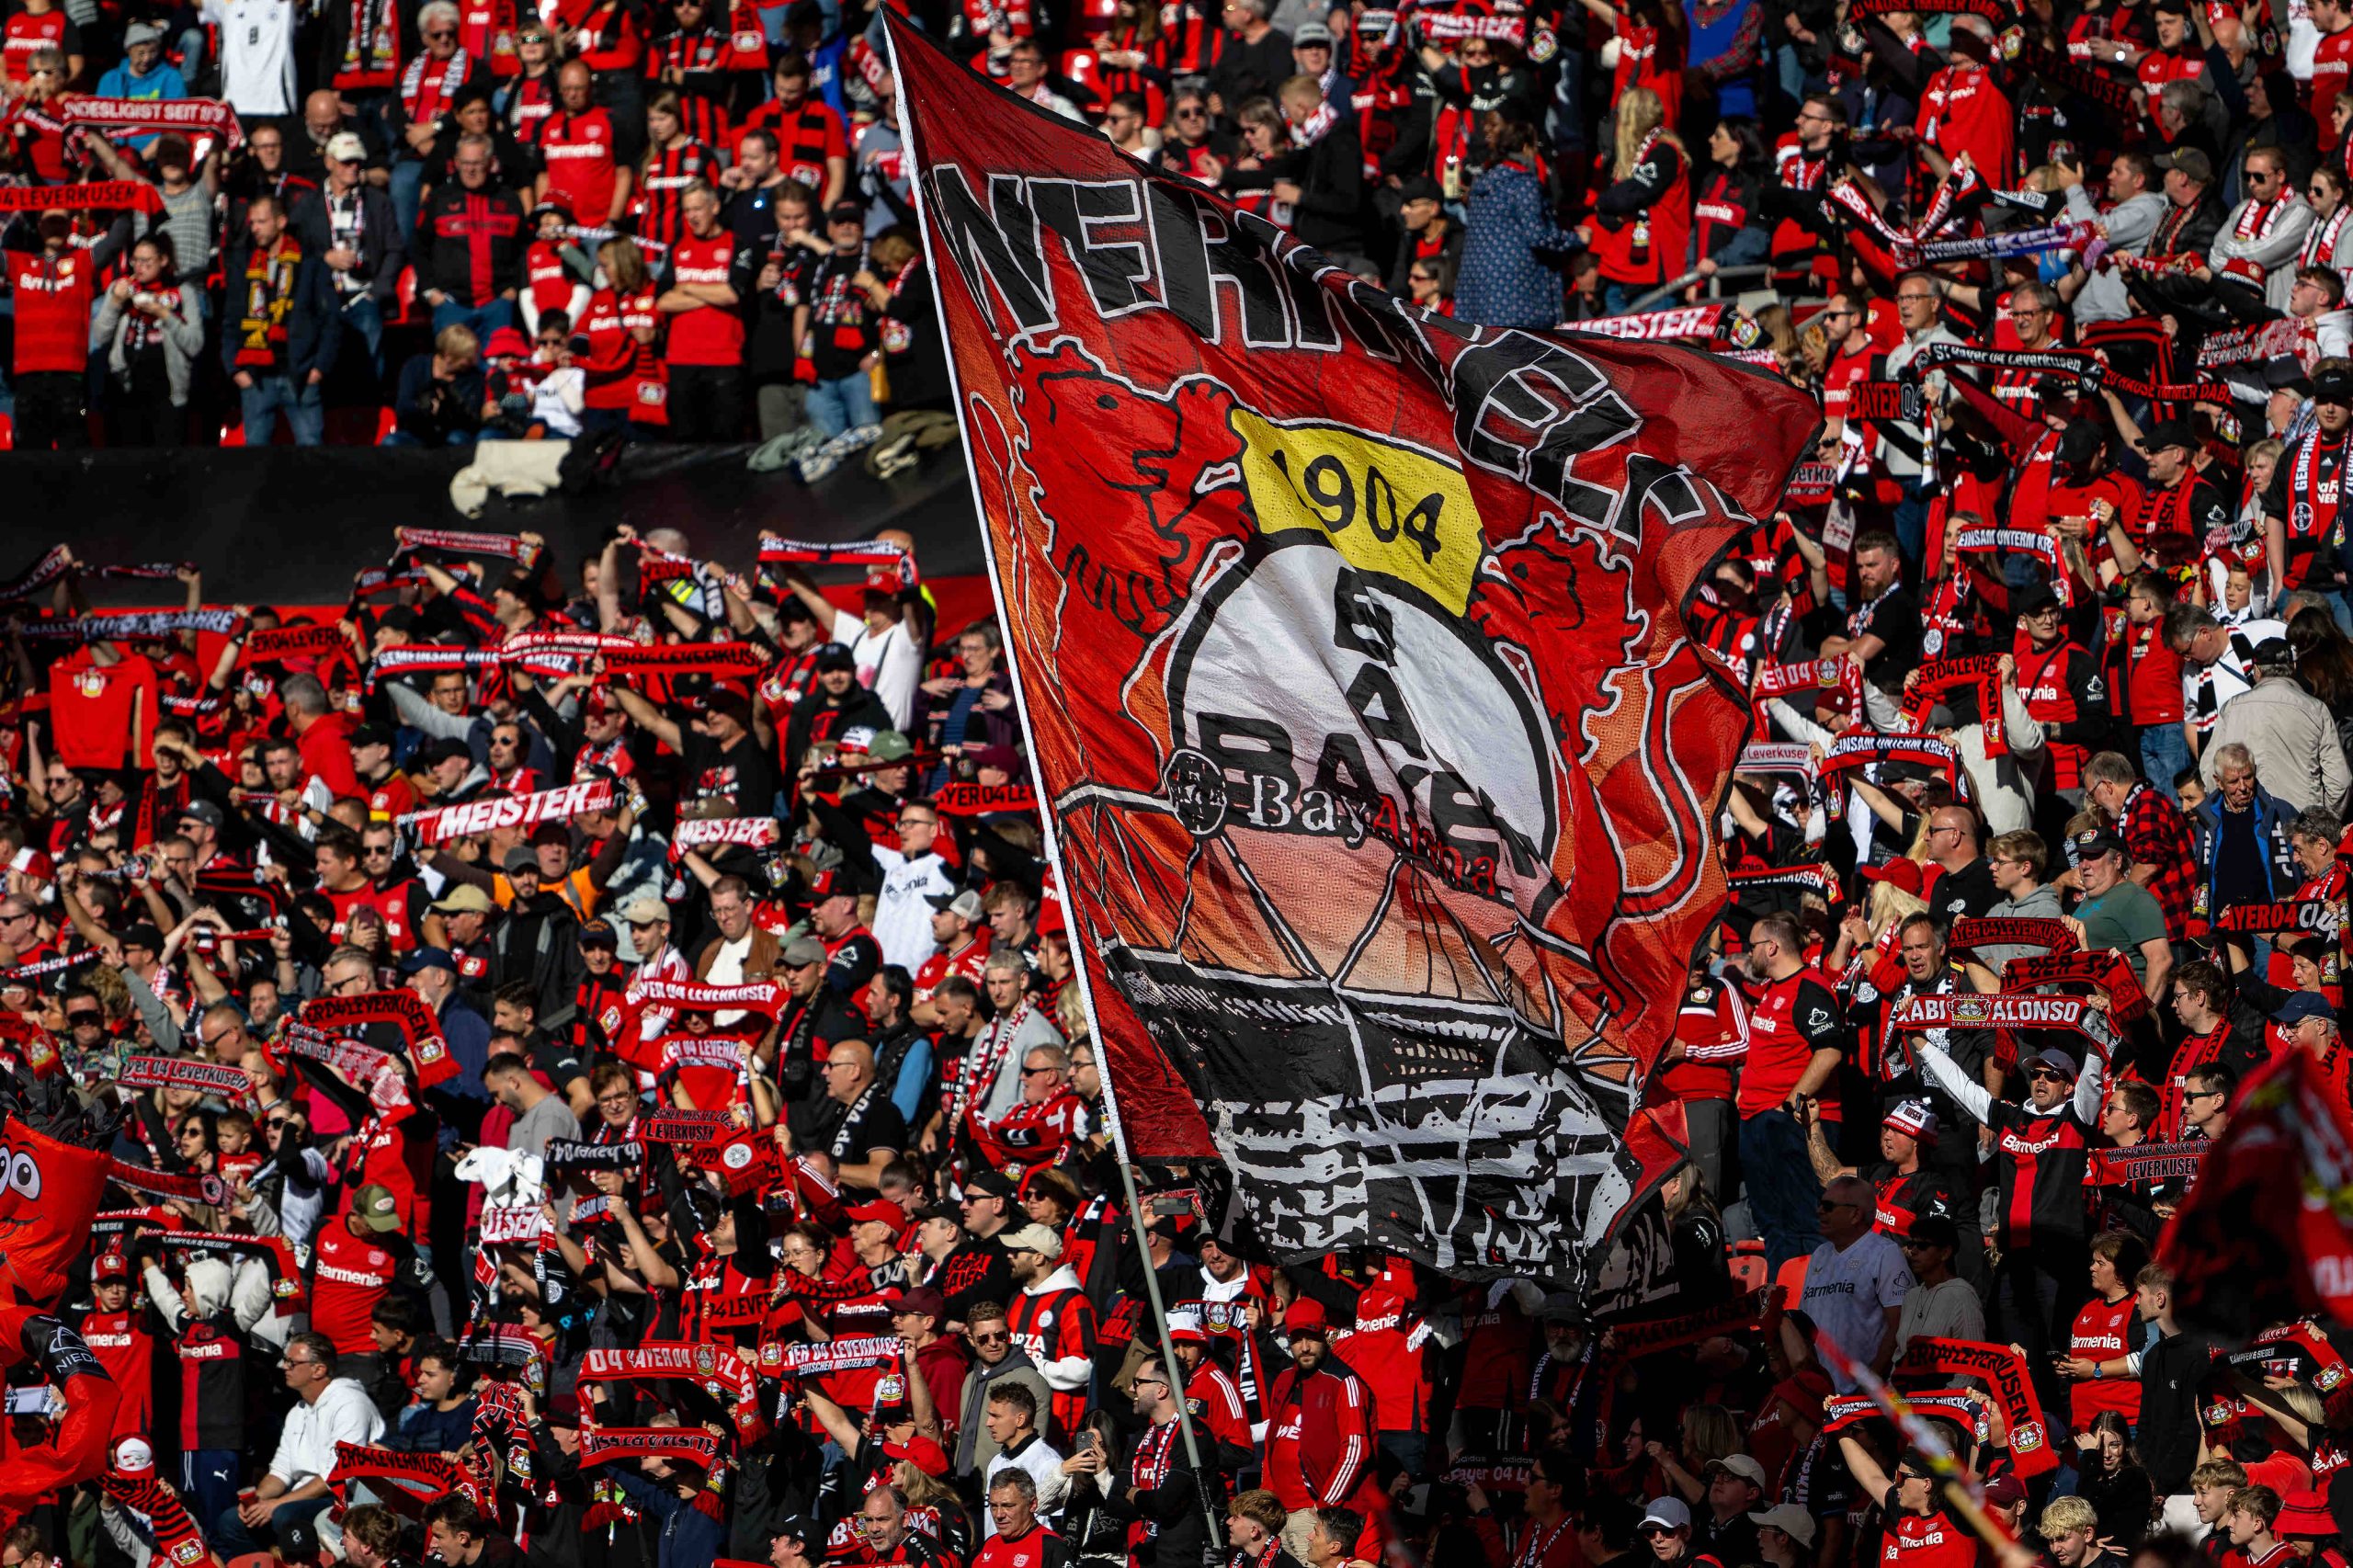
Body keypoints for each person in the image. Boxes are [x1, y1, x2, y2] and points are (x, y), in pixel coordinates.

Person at [222, 192, 340, 446]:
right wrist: (234, 368)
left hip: (300, 373)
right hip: (256, 376)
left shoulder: (309, 263)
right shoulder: (245, 264)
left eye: (261, 222)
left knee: (310, 452)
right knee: (255, 457)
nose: (254, 229)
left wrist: (319, 367)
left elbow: (330, 318)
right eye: (252, 223)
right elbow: (231, 318)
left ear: (281, 222)